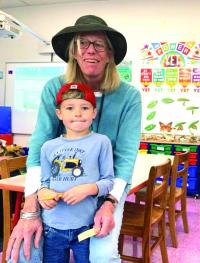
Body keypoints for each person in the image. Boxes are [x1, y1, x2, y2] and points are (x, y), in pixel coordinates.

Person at [6, 15, 141, 263]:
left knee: (102, 255)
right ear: (73, 53)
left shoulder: (128, 97)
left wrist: (110, 203)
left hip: (106, 189)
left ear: (110, 54)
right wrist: (30, 205)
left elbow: (126, 156)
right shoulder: (53, 88)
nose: (91, 50)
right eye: (82, 43)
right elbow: (39, 146)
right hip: (58, 191)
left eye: (99, 44)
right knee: (26, 251)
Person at [38, 82, 114, 263]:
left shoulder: (101, 142)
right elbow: (44, 182)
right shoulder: (48, 147)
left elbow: (109, 181)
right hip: (53, 226)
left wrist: (89, 188)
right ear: (59, 114)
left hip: (86, 225)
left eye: (85, 107)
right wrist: (44, 193)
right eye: (70, 108)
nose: (78, 113)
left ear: (94, 113)